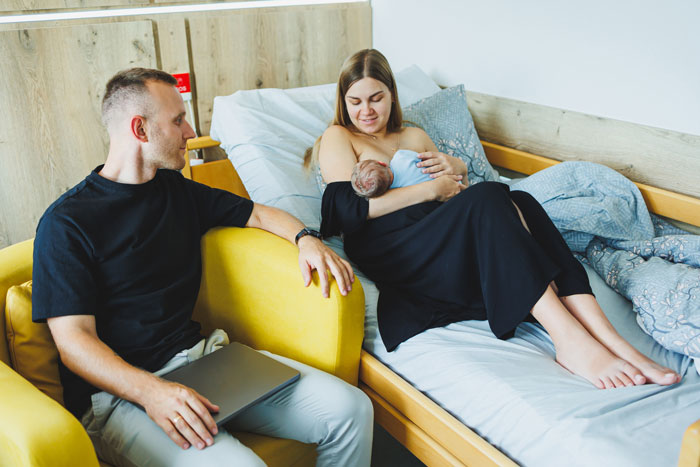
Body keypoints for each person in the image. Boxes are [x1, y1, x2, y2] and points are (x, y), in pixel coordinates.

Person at [32, 68, 373, 467]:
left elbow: (259, 215)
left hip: (204, 362)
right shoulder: (66, 223)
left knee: (352, 409)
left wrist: (306, 239)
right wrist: (151, 393)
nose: (191, 130)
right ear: (140, 129)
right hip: (120, 398)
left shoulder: (176, 190)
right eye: (178, 120)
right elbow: (74, 343)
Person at [307, 48, 681, 390]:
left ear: (391, 94)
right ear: (344, 102)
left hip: (440, 236)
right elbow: (343, 211)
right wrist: (430, 191)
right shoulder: (340, 136)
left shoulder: (414, 135)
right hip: (394, 247)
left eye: (376, 98)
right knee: (491, 197)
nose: (366, 111)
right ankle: (568, 338)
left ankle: (612, 339)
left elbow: (455, 194)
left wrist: (459, 171)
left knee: (521, 200)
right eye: (355, 101)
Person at [351, 149, 438, 198]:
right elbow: (423, 158)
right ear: (382, 163)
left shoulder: (398, 194)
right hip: (439, 175)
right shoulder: (400, 157)